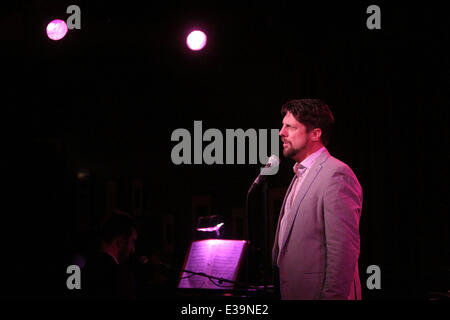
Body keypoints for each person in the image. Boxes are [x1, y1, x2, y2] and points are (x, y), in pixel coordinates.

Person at [272, 99, 363, 300]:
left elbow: (343, 253)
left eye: (290, 126)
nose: (281, 132)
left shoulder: (336, 174)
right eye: (282, 125)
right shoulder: (300, 174)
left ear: (315, 133)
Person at [84, 213, 138, 299]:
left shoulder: (83, 269)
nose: (133, 249)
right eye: (133, 242)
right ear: (120, 241)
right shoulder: (122, 278)